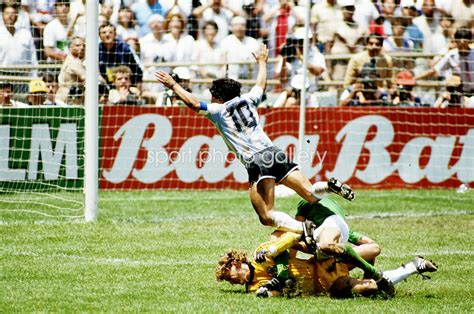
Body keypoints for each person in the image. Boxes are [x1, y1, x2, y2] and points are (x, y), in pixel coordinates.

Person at [155, 43, 355, 238]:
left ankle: (305, 230)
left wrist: (173, 85)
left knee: (266, 216)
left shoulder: (219, 110)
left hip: (257, 161)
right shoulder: (250, 100)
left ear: (217, 97)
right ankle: (329, 186)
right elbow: (260, 84)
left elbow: (194, 102)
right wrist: (262, 62)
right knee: (311, 194)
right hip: (274, 151)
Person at [215, 237, 438, 298]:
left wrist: (274, 250)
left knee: (373, 250)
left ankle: (380, 278)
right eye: (228, 280)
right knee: (368, 287)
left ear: (236, 263)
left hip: (321, 264)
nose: (231, 280)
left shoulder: (262, 254)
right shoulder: (253, 287)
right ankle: (412, 267)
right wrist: (269, 292)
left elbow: (292, 236)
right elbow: (277, 291)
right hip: (325, 285)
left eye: (229, 275)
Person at [415, 28, 473, 97]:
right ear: (455, 41)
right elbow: (434, 70)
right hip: (461, 93)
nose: (462, 42)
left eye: (465, 40)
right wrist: (414, 78)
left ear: (469, 41)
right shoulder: (452, 55)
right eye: (459, 40)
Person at [99, 22, 143, 87]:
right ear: (99, 35)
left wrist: (136, 87)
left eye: (110, 32)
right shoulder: (97, 50)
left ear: (115, 34)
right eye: (104, 32)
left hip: (125, 84)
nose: (107, 35)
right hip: (105, 86)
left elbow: (136, 69)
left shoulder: (124, 48)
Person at [56, 36, 86, 104]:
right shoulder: (73, 61)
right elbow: (86, 78)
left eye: (84, 45)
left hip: (67, 99)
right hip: (67, 101)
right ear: (70, 48)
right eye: (77, 45)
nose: (82, 48)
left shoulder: (72, 60)